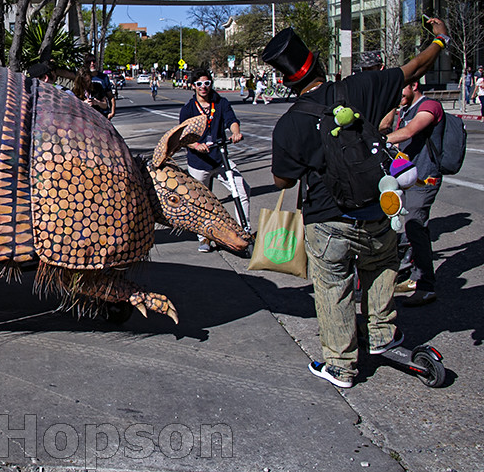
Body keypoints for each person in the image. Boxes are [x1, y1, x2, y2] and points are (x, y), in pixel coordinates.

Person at [263, 19, 449, 389]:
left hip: (327, 220)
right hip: (375, 208)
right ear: (319, 64)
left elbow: (282, 180)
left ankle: (341, 366)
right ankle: (382, 334)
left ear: (287, 82)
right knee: (382, 266)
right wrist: (440, 40)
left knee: (334, 287)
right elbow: (416, 67)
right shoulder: (361, 87)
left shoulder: (288, 125)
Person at [381, 80, 443, 307]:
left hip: (424, 179)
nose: (399, 96)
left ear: (414, 84)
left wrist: (379, 141)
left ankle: (426, 286)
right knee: (405, 229)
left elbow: (409, 132)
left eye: (401, 90)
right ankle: (415, 277)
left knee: (415, 227)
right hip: (406, 179)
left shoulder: (430, 106)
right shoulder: (404, 110)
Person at [178, 68, 251, 252]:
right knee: (199, 200)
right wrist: (195, 145)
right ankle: (203, 237)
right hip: (198, 162)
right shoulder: (188, 109)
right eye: (199, 84)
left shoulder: (220, 102)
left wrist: (235, 133)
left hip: (220, 159)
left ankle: (243, 230)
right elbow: (183, 135)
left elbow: (231, 120)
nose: (204, 87)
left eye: (207, 83)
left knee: (242, 189)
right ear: (193, 86)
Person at [80, 55, 115, 119]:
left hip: (102, 114)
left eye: (94, 61)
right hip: (87, 115)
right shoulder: (82, 77)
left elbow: (110, 96)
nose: (92, 64)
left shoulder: (104, 77)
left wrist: (112, 112)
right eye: (89, 62)